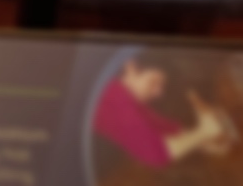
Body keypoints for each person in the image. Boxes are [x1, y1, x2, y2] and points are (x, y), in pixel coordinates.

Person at [94, 55, 234, 169]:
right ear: (130, 66)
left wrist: (201, 141)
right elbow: (155, 154)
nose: (158, 93)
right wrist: (203, 132)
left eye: (160, 86)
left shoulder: (125, 96)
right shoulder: (112, 93)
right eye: (154, 82)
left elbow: (162, 126)